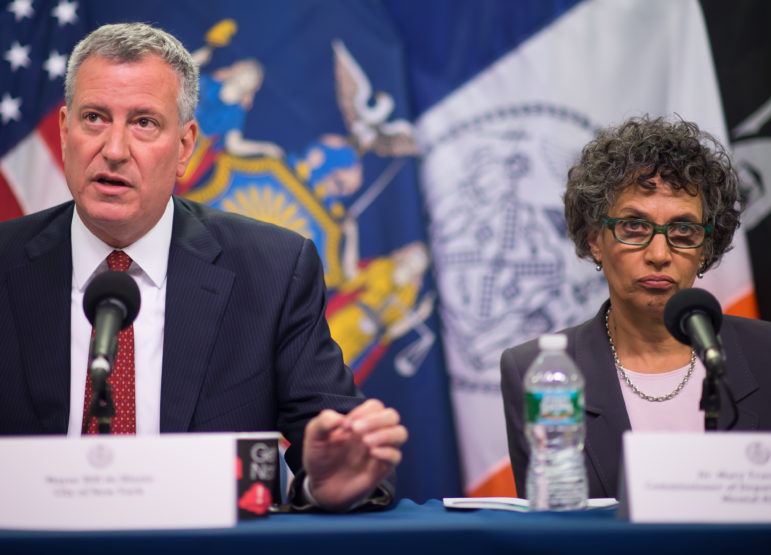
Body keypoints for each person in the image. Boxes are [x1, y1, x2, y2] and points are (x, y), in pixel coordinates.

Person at [0, 22, 407, 513]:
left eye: (144, 123)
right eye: (94, 118)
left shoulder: (273, 271)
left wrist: (325, 483)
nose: (113, 149)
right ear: (65, 132)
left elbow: (337, 452)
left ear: (186, 146)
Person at [500, 115, 771, 500]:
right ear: (595, 239)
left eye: (683, 231)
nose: (659, 254)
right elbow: (551, 530)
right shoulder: (533, 371)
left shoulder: (766, 354)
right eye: (634, 227)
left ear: (705, 248)